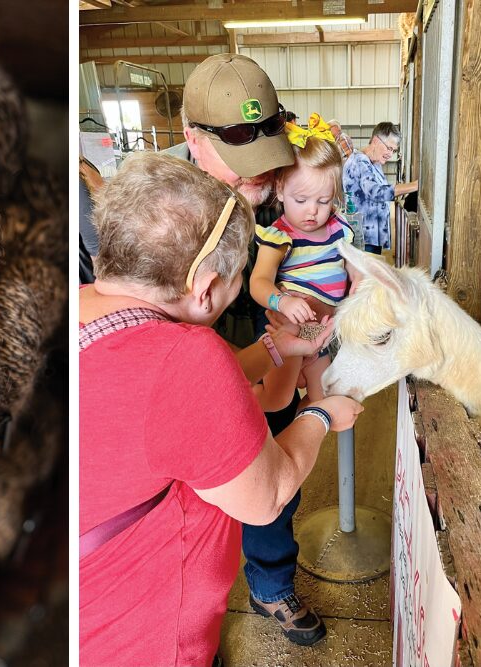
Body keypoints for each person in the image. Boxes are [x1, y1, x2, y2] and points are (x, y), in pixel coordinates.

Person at [79, 151, 364, 667]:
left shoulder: (82, 305)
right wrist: (322, 416)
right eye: (235, 286)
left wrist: (281, 349)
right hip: (143, 639)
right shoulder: (186, 356)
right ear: (206, 289)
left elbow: (174, 405)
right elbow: (268, 495)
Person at [166, 52, 330, 646]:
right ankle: (187, 627)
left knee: (275, 469)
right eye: (241, 166)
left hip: (269, 332)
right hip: (194, 355)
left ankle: (269, 585)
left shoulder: (271, 182)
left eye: (266, 162)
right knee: (196, 491)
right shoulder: (160, 208)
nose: (257, 180)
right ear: (191, 139)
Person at [249, 114, 352, 412]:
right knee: (276, 399)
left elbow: (352, 266)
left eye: (323, 201)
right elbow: (259, 282)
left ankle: (298, 439)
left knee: (322, 400)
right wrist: (281, 302)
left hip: (321, 333)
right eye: (301, 200)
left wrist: (358, 279)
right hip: (291, 331)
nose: (312, 211)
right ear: (280, 190)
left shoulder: (338, 229)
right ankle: (229, 401)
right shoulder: (280, 236)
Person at [342, 122, 418, 254]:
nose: (390, 154)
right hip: (363, 239)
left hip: (372, 237)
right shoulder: (359, 162)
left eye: (393, 150)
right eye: (389, 148)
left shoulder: (374, 163)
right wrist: (415, 185)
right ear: (376, 141)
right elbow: (376, 192)